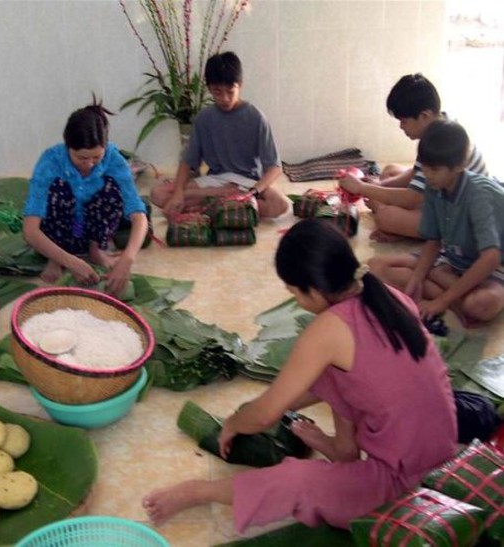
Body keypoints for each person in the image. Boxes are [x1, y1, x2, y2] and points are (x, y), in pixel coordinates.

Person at [143, 218, 456, 532]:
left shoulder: (329, 328)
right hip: (443, 453)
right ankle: (336, 449)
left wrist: (234, 424)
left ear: (315, 291)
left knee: (297, 480)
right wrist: (271, 409)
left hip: (405, 487)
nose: (298, 302)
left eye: (296, 293)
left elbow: (265, 415)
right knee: (338, 376)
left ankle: (197, 491)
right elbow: (349, 381)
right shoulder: (387, 296)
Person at [369, 120, 504, 327]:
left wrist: (441, 300)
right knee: (375, 267)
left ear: (459, 166)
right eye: (425, 167)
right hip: (453, 259)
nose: (428, 175)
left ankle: (447, 295)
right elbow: (433, 239)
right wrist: (417, 277)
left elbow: (491, 258)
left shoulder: (479, 195)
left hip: (491, 266)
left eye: (434, 169)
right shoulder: (435, 185)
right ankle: (452, 295)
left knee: (481, 304)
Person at [339, 73, 488, 242]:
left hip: (461, 217)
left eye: (404, 121)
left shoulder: (439, 140)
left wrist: (363, 189)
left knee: (386, 216)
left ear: (424, 116)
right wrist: (379, 185)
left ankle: (398, 226)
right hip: (442, 197)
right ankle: (400, 223)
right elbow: (415, 174)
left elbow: (413, 198)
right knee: (390, 171)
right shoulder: (439, 126)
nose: (401, 127)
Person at [22, 97, 148, 296]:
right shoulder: (50, 162)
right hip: (58, 232)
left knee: (112, 187)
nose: (89, 164)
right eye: (81, 158)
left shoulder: (114, 160)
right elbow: (30, 230)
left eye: (96, 157)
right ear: (68, 147)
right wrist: (70, 262)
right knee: (58, 188)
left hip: (91, 229)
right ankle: (55, 256)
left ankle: (95, 248)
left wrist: (127, 260)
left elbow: (139, 217)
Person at [150, 51, 287, 219]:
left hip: (246, 183)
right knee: (158, 193)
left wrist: (254, 191)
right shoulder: (204, 118)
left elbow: (275, 167)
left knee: (280, 205)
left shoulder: (256, 118)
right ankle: (226, 202)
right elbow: (187, 162)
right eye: (217, 92)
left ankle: (209, 206)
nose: (224, 98)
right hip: (215, 180)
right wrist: (178, 193)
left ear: (240, 85)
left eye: (230, 92)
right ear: (209, 89)